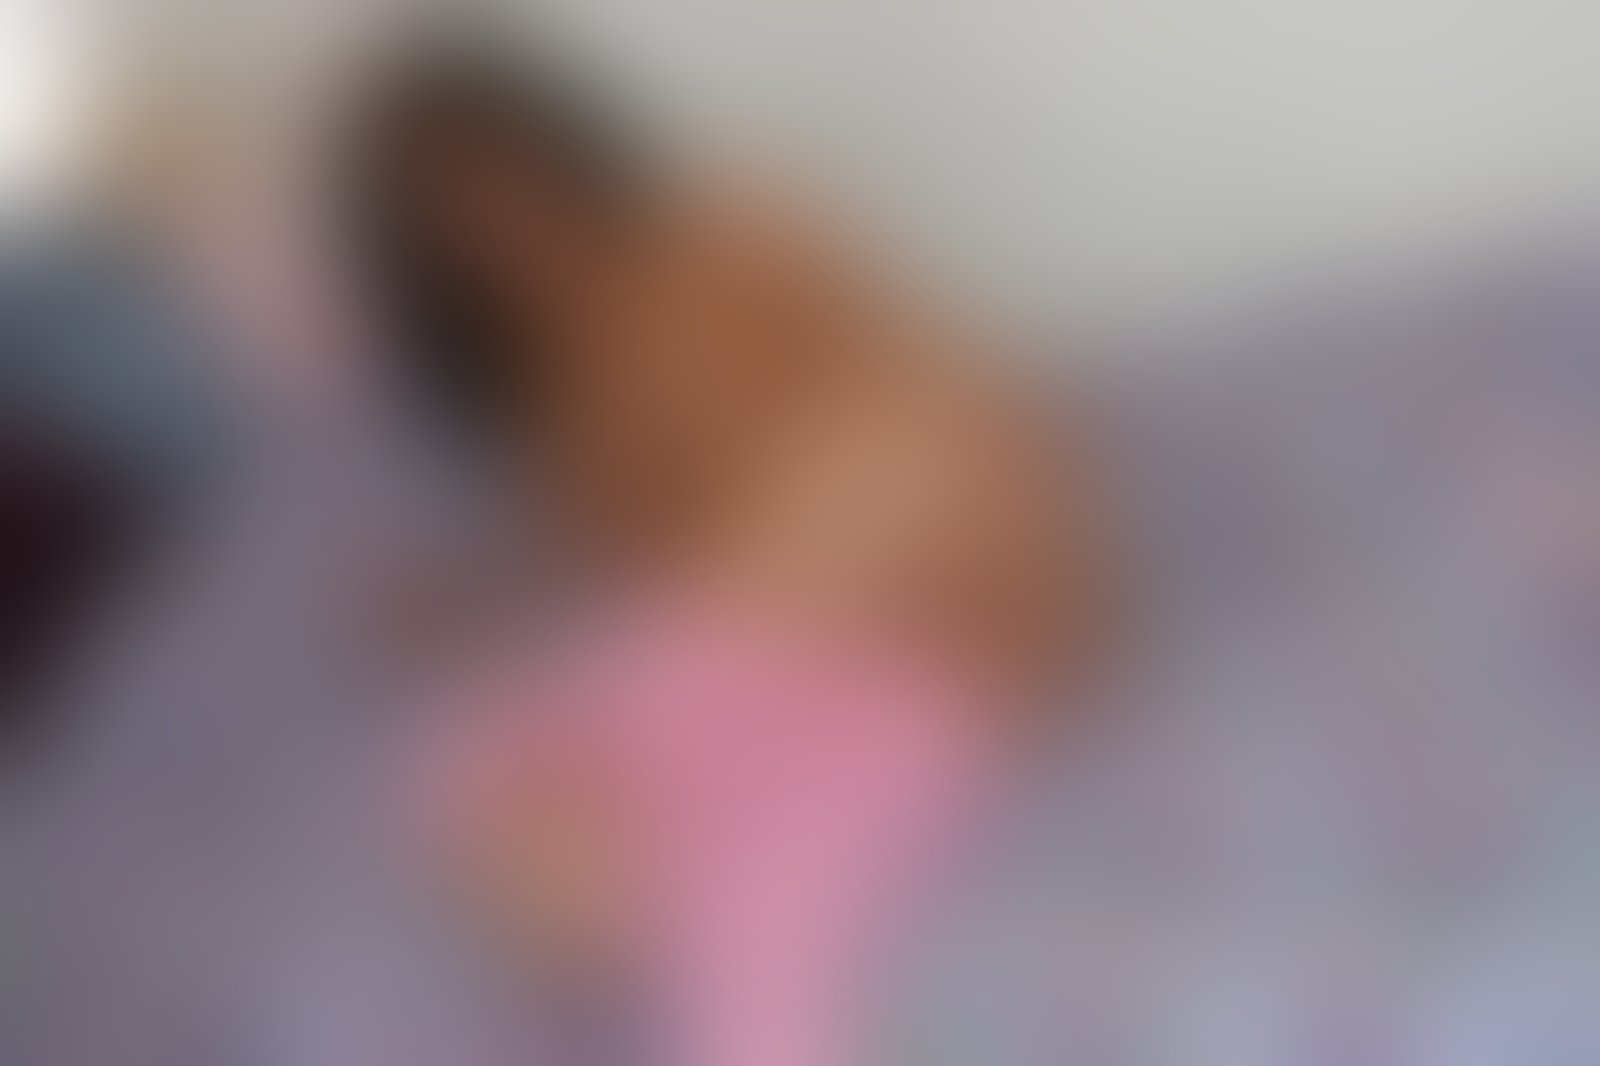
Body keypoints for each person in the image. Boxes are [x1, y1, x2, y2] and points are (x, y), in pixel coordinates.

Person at [349, 46, 1117, 1066]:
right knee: (478, 753)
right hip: (775, 652)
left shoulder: (737, 233)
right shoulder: (550, 413)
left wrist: (815, 534)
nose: (501, 231)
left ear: (551, 149)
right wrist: (479, 595)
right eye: (456, 225)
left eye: (501, 183)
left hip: (913, 565)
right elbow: (640, 582)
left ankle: (622, 875)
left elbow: (938, 414)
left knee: (670, 728)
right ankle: (610, 881)